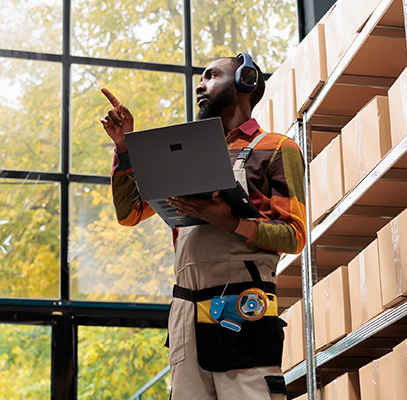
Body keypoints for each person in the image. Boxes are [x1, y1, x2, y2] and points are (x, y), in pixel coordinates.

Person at [99, 53, 307, 399]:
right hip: (185, 310)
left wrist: (229, 221)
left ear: (245, 82)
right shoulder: (181, 156)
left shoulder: (276, 149)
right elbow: (129, 213)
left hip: (243, 307)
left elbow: (294, 235)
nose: (200, 85)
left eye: (212, 76)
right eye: (200, 78)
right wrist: (124, 148)